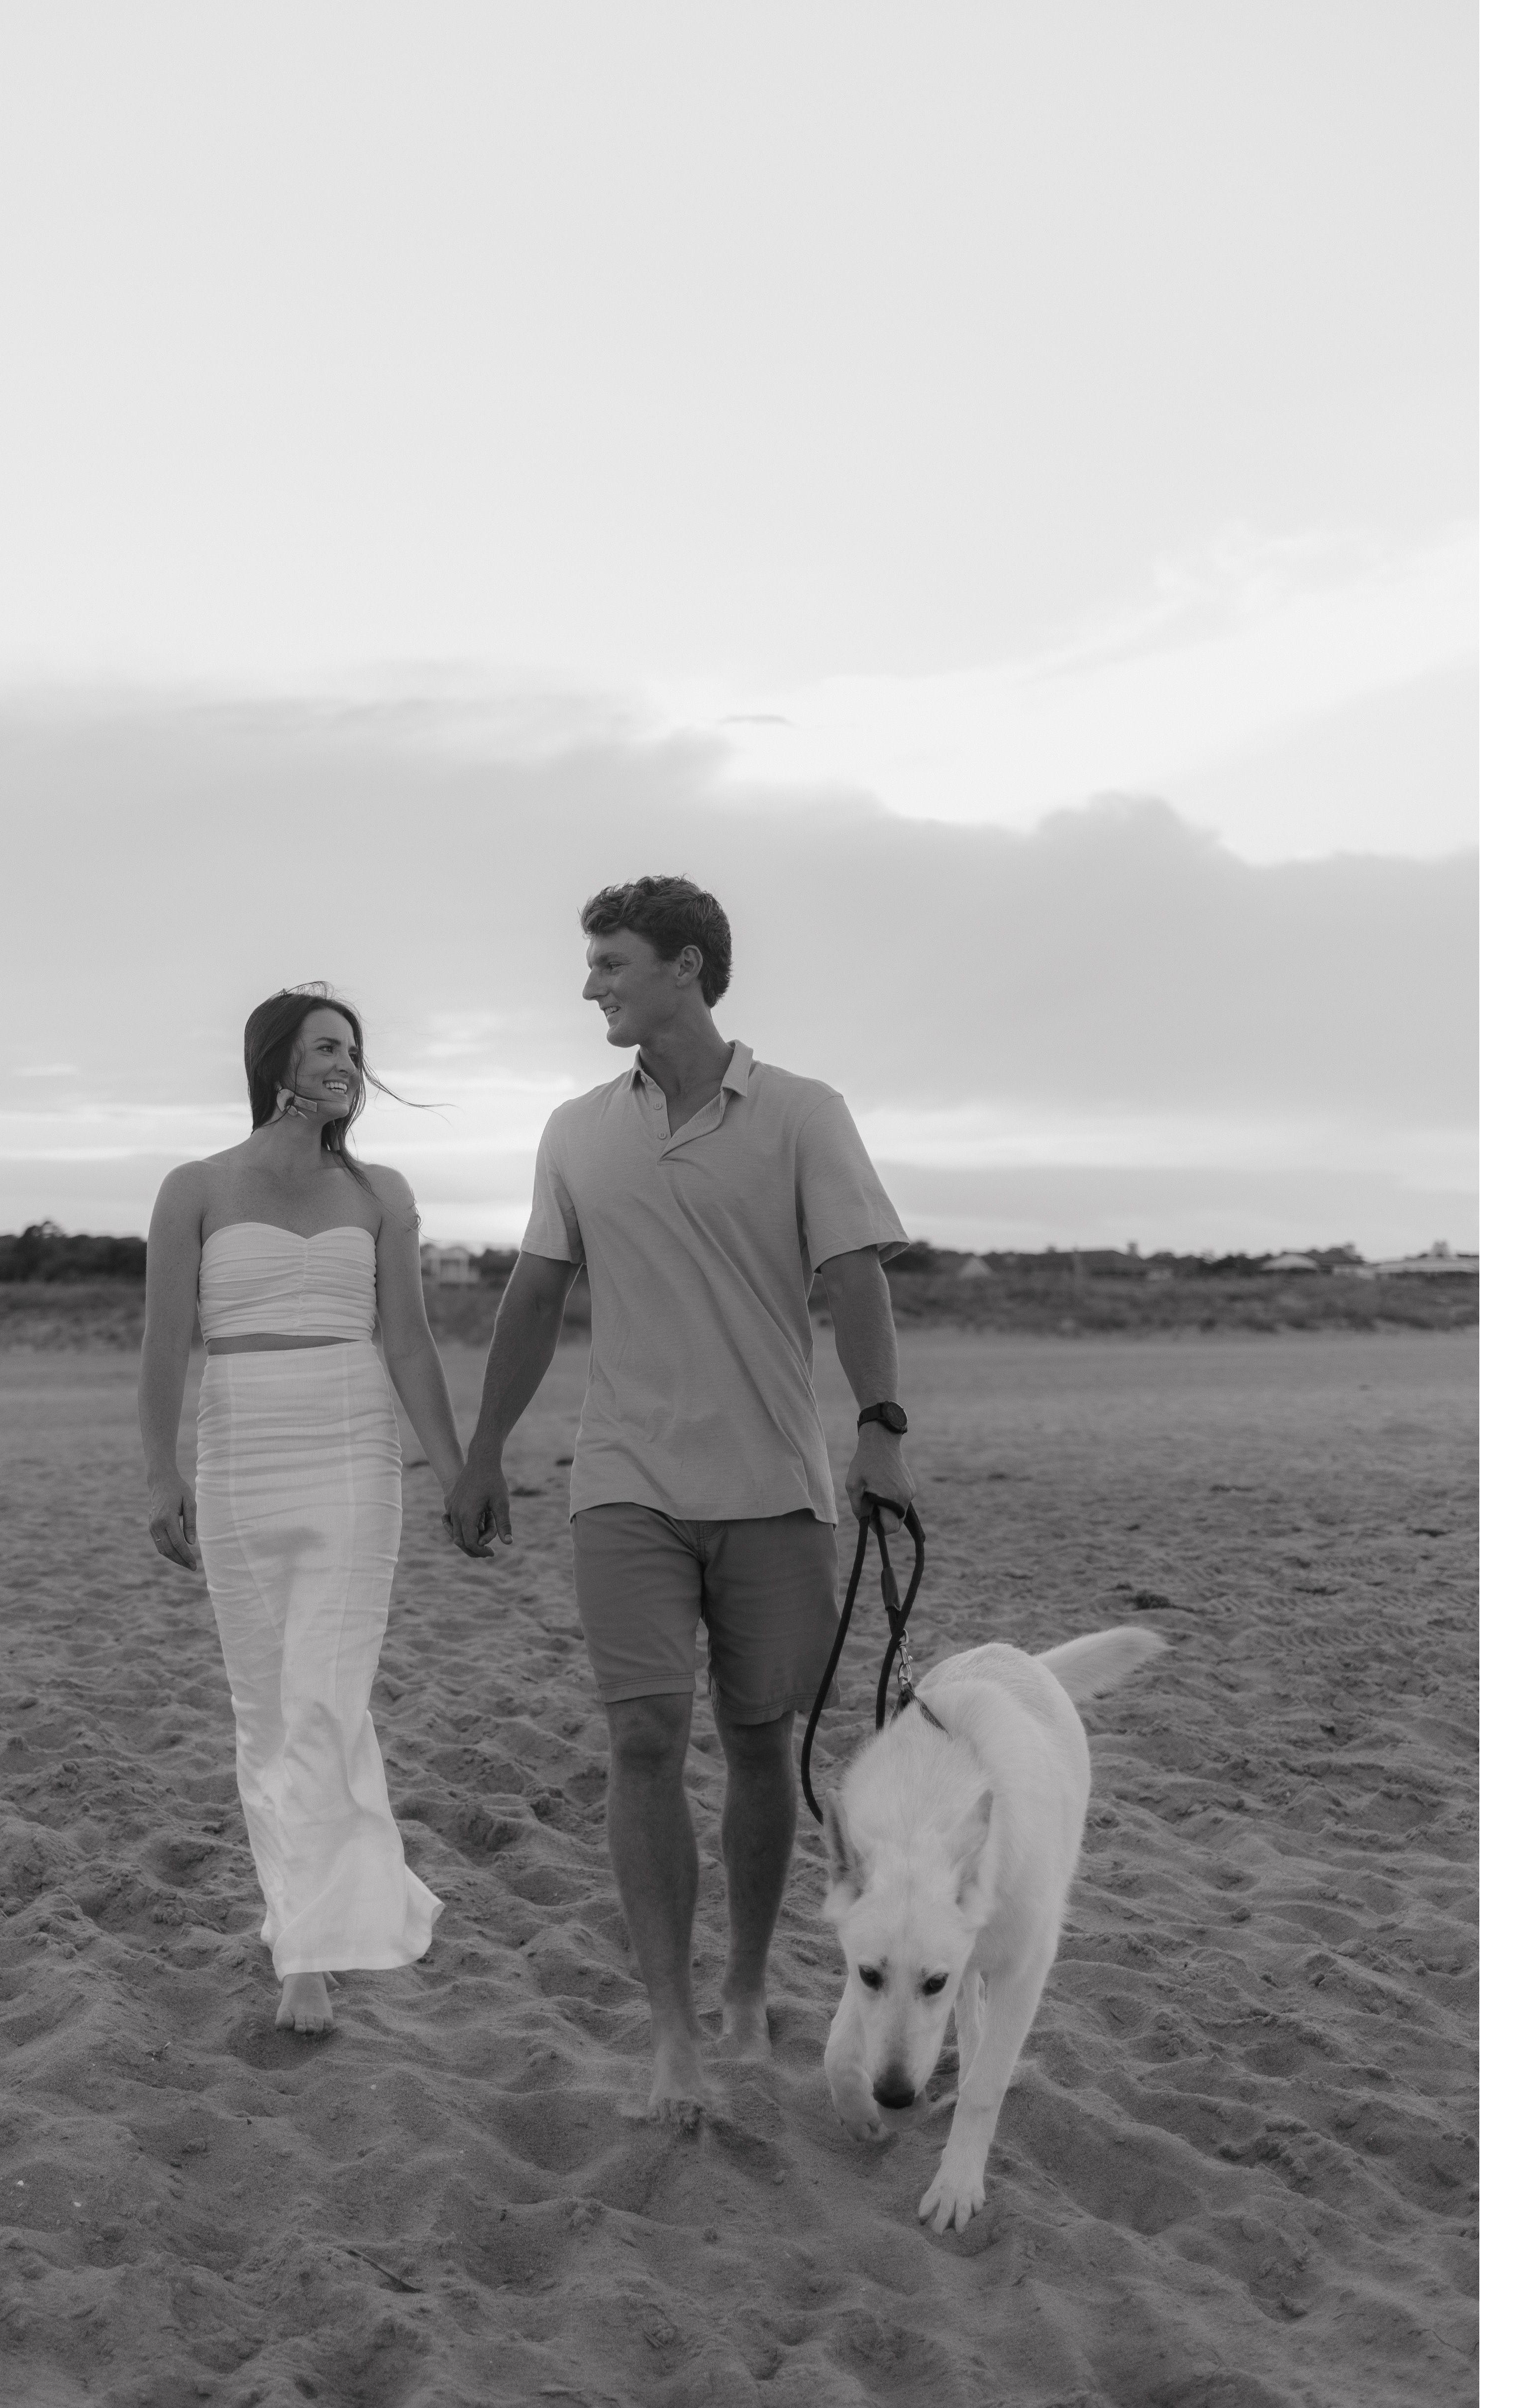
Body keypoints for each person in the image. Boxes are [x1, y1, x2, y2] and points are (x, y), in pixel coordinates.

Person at [443, 876, 919, 2125]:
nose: (589, 984)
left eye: (611, 961)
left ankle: (747, 1990)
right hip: (625, 1484)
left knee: (761, 1742)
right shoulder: (575, 1130)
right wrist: (484, 1450)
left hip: (773, 1487)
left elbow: (855, 1279)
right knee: (644, 1739)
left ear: (687, 967)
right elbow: (535, 1297)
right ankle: (672, 2038)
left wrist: (880, 1430)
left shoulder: (805, 1113)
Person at [141, 986, 461, 2035]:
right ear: (275, 1060)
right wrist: (159, 1472)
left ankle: (314, 1948)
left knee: (327, 1701)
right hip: (241, 1454)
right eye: (328, 1048)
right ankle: (302, 1933)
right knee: (268, 1713)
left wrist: (456, 1468)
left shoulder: (381, 1194)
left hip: (355, 1453)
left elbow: (408, 1341)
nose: (347, 1067)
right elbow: (164, 1344)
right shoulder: (195, 1188)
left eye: (355, 1053)